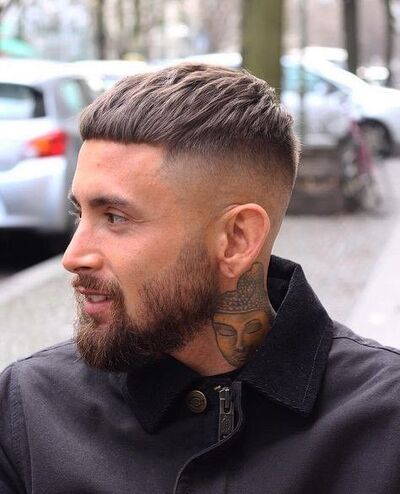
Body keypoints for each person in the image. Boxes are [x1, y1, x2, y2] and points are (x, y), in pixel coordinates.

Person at [1, 63, 400, 494]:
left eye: (115, 217)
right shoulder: (31, 412)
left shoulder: (384, 423)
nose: (73, 257)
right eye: (79, 213)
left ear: (237, 239)